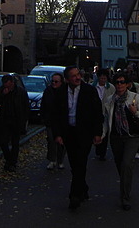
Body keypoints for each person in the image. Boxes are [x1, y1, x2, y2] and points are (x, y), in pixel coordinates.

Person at [51, 65, 103, 210]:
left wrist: (97, 133)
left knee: (81, 161)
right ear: (67, 79)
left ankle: (74, 196)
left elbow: (97, 113)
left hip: (84, 133)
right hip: (69, 133)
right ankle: (83, 187)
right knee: (75, 164)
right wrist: (58, 134)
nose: (77, 77)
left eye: (78, 74)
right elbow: (55, 115)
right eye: (73, 76)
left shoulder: (89, 91)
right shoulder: (61, 92)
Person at [103, 70, 139, 211]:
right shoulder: (110, 100)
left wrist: (135, 112)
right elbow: (105, 121)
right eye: (117, 82)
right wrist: (102, 135)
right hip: (116, 137)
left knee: (127, 164)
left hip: (131, 137)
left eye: (122, 82)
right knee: (120, 165)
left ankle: (125, 198)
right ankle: (125, 184)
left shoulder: (134, 97)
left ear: (127, 84)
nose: (120, 85)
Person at [0, 74, 29, 171]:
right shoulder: (2, 90)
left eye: (8, 85)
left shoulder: (20, 92)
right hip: (4, 120)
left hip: (16, 120)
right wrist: (3, 94)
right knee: (3, 142)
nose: (7, 87)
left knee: (15, 143)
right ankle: (9, 159)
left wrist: (24, 120)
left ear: (12, 83)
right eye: (5, 85)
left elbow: (26, 106)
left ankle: (12, 162)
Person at [40, 72, 66, 170]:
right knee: (51, 140)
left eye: (56, 81)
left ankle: (60, 160)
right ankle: (52, 160)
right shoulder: (48, 91)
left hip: (62, 121)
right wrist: (43, 117)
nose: (54, 83)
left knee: (62, 142)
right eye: (52, 81)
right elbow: (43, 105)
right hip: (50, 120)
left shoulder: (65, 92)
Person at [93, 68, 114, 160]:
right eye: (101, 78)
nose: (102, 80)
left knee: (105, 133)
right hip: (95, 113)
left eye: (104, 78)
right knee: (96, 131)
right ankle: (98, 147)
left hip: (106, 113)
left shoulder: (111, 88)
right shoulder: (92, 87)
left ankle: (102, 153)